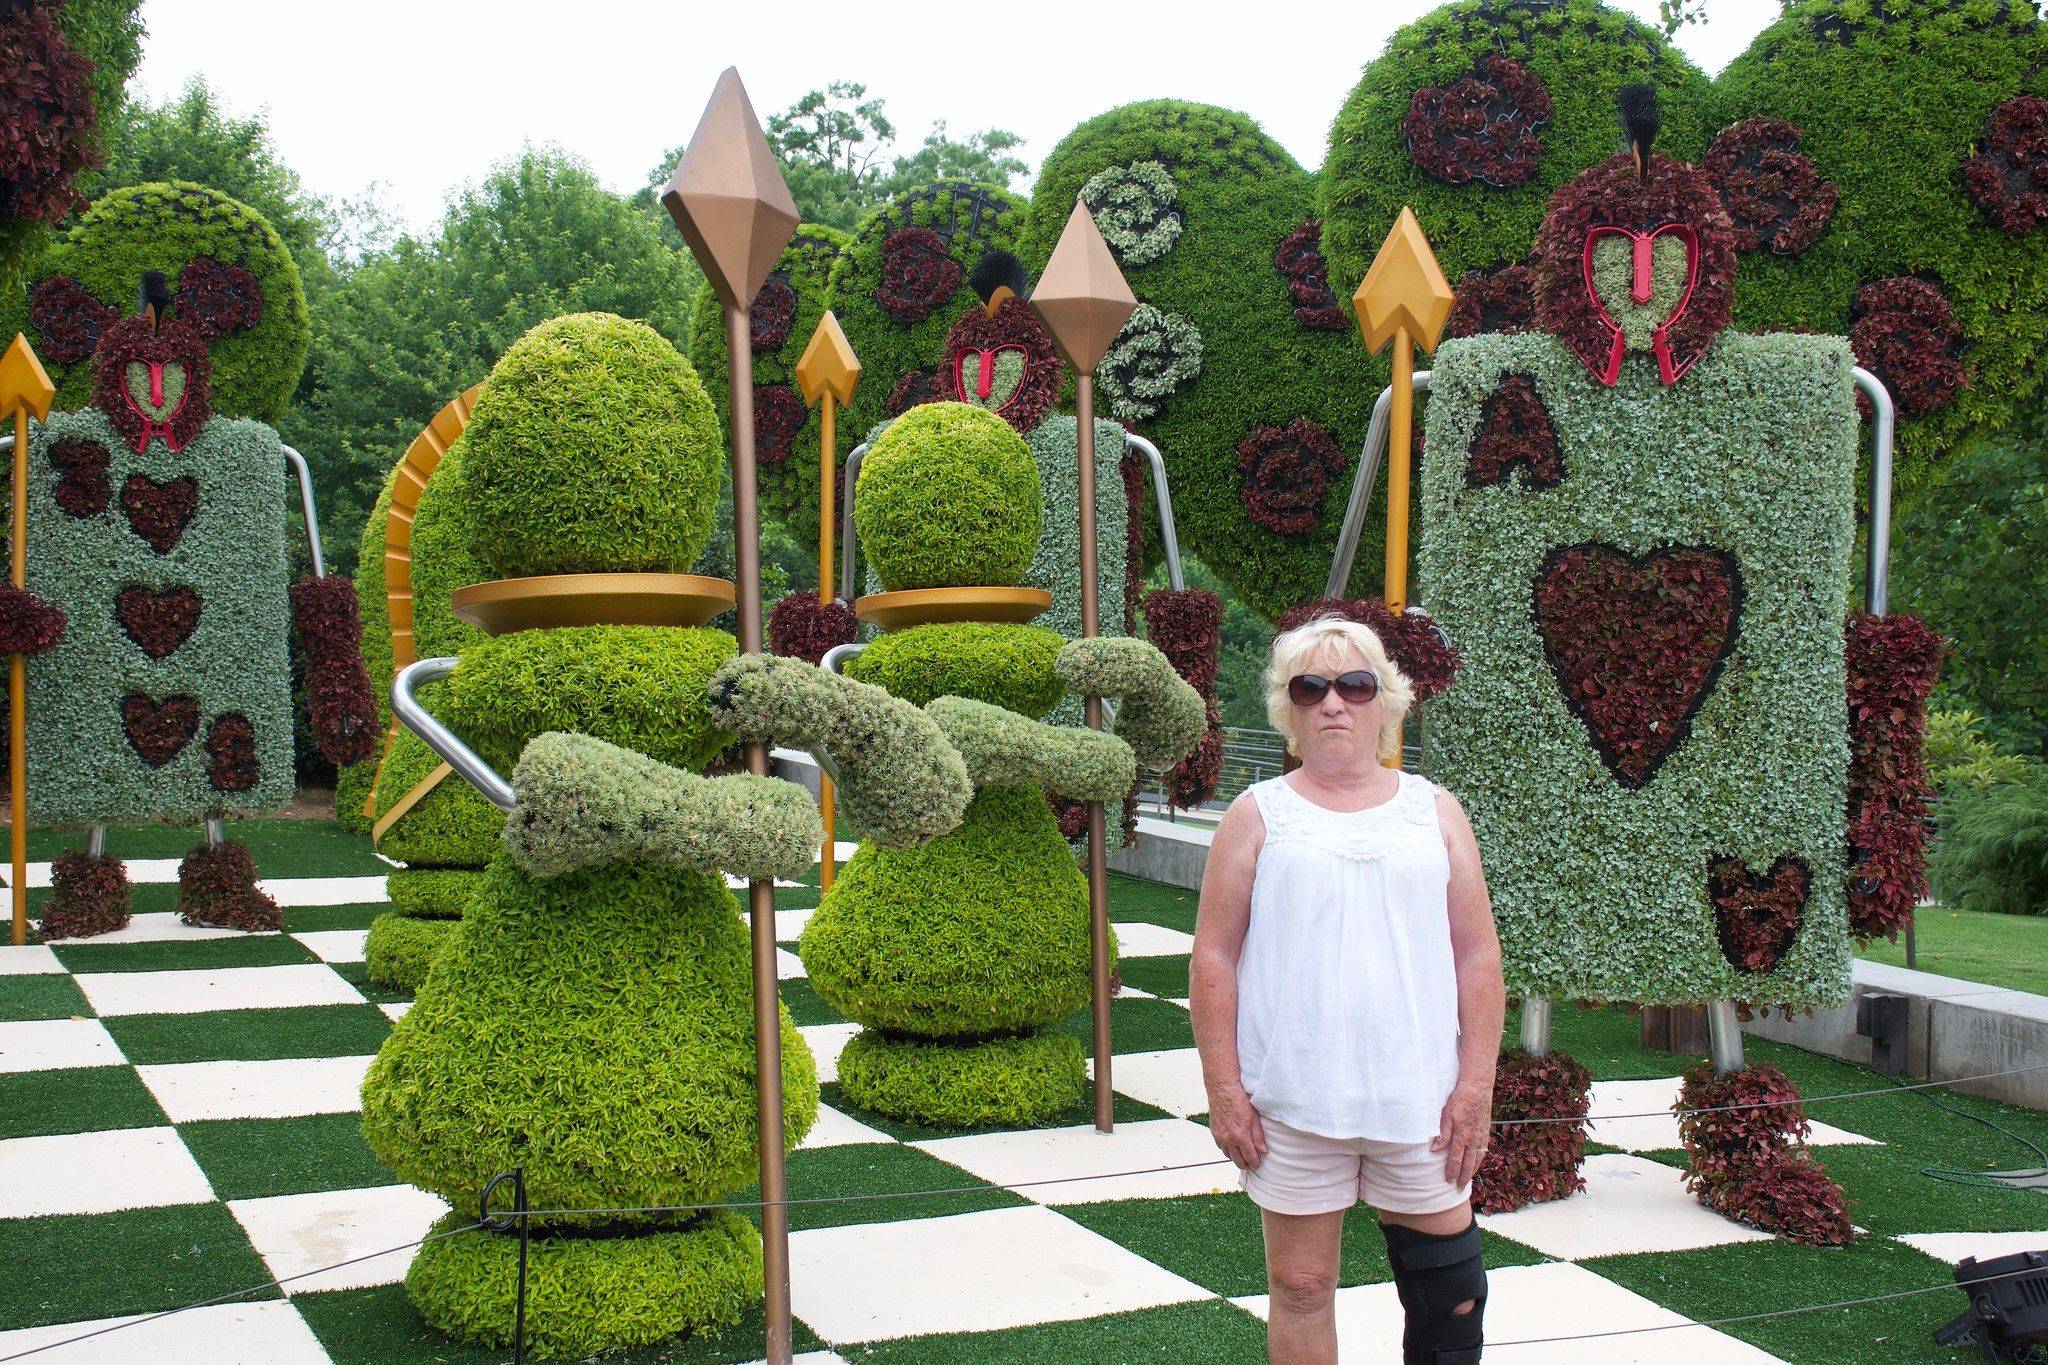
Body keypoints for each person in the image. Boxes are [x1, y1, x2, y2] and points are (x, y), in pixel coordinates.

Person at [1192, 615, 1505, 1364]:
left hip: (1420, 1102)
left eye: (1354, 684)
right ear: (1290, 708)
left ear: (1386, 699)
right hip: (1295, 1103)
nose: (1335, 702)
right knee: (1300, 1289)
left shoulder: (1437, 811)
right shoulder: (1256, 814)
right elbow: (1213, 958)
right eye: (1312, 687)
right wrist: (1224, 1090)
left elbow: (1478, 956)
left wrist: (1476, 1087)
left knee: (1451, 1292)